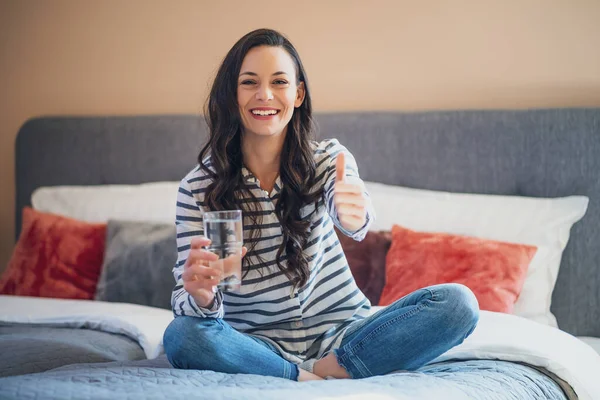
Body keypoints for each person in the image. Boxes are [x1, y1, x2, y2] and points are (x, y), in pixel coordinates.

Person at [163, 28, 479, 382]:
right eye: (249, 82)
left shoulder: (329, 160)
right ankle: (296, 376)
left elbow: (352, 213)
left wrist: (354, 214)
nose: (264, 95)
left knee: (457, 304)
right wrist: (203, 297)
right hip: (257, 345)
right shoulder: (198, 188)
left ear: (298, 94)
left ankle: (337, 367)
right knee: (181, 335)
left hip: (348, 336)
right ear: (231, 95)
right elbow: (187, 303)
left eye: (279, 82)